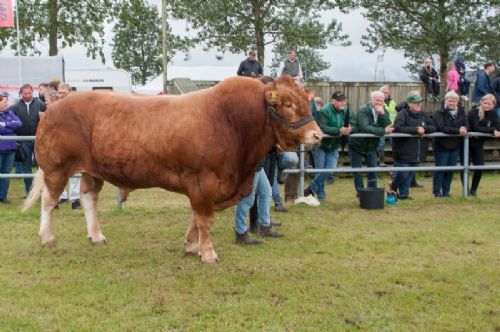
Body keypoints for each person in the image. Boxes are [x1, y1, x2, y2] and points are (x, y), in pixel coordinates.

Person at [305, 91, 351, 199]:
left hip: (334, 145)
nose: (343, 103)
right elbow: (323, 127)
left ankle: (311, 189)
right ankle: (320, 193)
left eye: (344, 100)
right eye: (340, 101)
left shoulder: (346, 111)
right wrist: (339, 130)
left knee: (330, 169)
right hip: (321, 145)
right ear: (333, 101)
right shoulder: (324, 111)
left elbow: (352, 121)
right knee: (320, 170)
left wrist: (350, 128)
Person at [391, 94, 436, 199]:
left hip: (417, 150)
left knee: (410, 173)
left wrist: (424, 128)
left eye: (420, 102)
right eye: (416, 103)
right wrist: (416, 130)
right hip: (403, 149)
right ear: (409, 104)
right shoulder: (402, 114)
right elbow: (398, 127)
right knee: (403, 173)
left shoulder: (423, 115)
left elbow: (433, 127)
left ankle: (404, 194)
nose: (419, 105)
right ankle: (393, 186)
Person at [349, 91, 393, 193]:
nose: (379, 102)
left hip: (372, 146)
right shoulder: (363, 110)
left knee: (373, 169)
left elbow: (388, 125)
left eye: (381, 101)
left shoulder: (384, 111)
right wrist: (382, 131)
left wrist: (382, 114)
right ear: (371, 100)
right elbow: (365, 127)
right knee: (357, 171)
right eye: (377, 100)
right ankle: (360, 192)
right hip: (357, 144)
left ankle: (372, 192)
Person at [234, 159, 284, 244]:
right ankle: (241, 233)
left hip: (258, 164)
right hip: (251, 164)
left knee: (265, 192)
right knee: (247, 198)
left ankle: (265, 227)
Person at [432, 91, 468, 198]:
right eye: (449, 100)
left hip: (455, 146)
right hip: (441, 146)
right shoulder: (438, 113)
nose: (452, 103)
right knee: (440, 170)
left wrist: (465, 128)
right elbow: (441, 127)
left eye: (454, 101)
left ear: (457, 102)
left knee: (450, 170)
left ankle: (446, 192)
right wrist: (458, 130)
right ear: (445, 101)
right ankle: (437, 192)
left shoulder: (461, 113)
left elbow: (466, 124)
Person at [12, 84, 46, 196]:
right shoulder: (15, 106)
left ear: (33, 92)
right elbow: (13, 124)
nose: (27, 95)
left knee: (41, 165)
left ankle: (42, 190)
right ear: (21, 93)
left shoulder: (41, 105)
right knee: (26, 166)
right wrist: (16, 139)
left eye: (29, 93)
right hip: (23, 140)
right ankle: (29, 191)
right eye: (25, 93)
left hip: (39, 140)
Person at [464, 94, 500, 196]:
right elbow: (476, 128)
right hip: (467, 143)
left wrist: (495, 129)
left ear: (493, 105)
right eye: (485, 103)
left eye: (489, 104)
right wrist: (492, 130)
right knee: (465, 166)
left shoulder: (493, 114)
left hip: (479, 144)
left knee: (479, 167)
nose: (486, 106)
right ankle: (465, 190)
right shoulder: (474, 112)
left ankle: (474, 189)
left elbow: (498, 126)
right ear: (481, 102)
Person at [56, 83, 81, 209]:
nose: (61, 95)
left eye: (63, 93)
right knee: (59, 170)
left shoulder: (76, 107)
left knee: (75, 171)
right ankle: (62, 196)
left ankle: (75, 199)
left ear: (69, 92)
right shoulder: (55, 107)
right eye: (59, 93)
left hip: (74, 143)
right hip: (60, 143)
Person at [0, 94, 22, 204]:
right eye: (4, 102)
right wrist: (9, 127)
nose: (7, 104)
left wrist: (5, 124)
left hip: (11, 149)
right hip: (1, 149)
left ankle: (3, 196)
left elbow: (18, 124)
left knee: (6, 173)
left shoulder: (10, 113)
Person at [378, 85, 396, 166]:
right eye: (385, 92)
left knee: (395, 144)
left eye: (388, 92)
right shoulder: (379, 102)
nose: (387, 94)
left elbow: (395, 114)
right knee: (381, 145)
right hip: (382, 127)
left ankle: (396, 161)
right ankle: (381, 161)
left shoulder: (393, 102)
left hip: (392, 127)